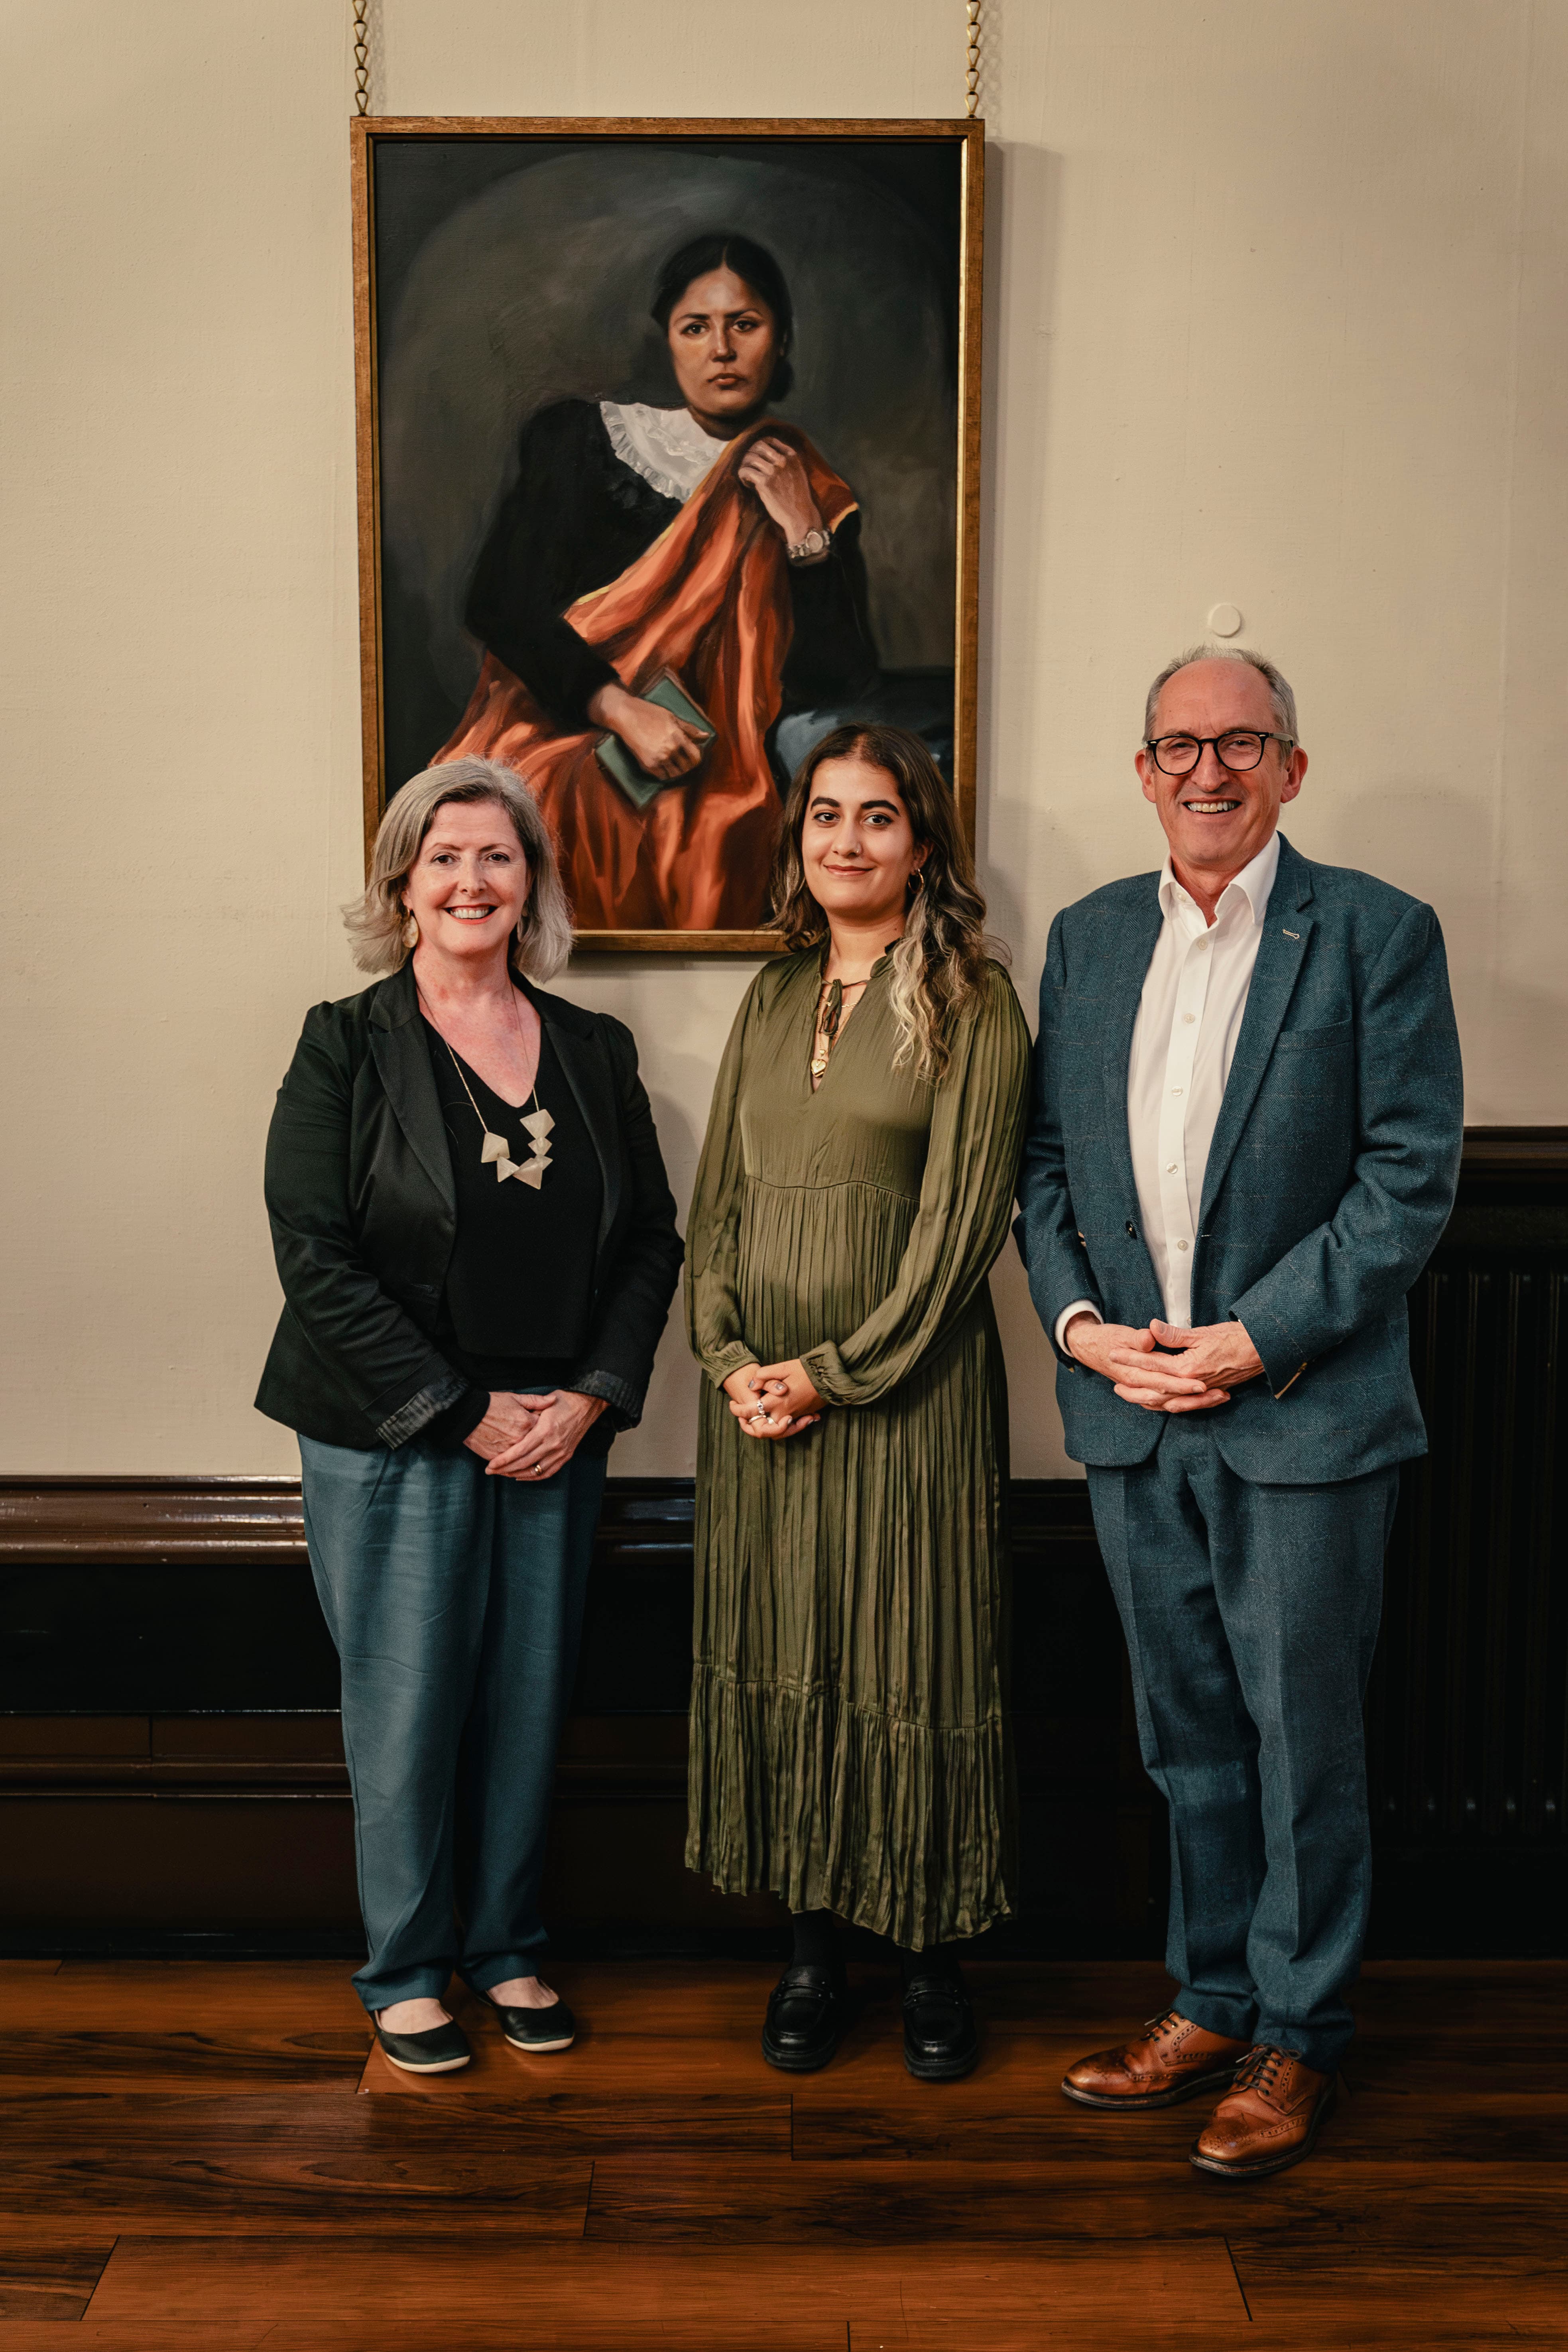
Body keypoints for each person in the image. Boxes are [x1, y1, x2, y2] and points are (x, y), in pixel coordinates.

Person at [1016, 648, 1463, 2177]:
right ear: (1140, 771)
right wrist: (1083, 1332)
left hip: (1301, 1415)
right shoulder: (1082, 943)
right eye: (1178, 746)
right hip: (1133, 1414)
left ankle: (1297, 2040)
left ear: (1291, 766)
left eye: (1241, 742)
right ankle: (1207, 1999)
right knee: (1186, 1739)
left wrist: (1246, 1341)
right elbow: (1045, 1174)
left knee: (1302, 1747)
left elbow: (1408, 1181)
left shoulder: (1376, 937)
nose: (1208, 771)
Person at [256, 756, 683, 2075]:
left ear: (533, 884)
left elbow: (650, 1246)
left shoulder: (596, 1051)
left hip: (554, 1432)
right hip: (392, 1432)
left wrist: (592, 1399)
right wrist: (459, 1413)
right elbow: (312, 1251)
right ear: (402, 880)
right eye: (445, 857)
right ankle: (405, 1967)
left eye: (498, 858)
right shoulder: (346, 1039)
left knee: (521, 1702)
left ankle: (506, 1948)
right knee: (409, 1706)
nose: (471, 881)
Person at [685, 722, 1031, 2080]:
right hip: (763, 1409)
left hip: (909, 1401)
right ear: (799, 840)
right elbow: (716, 1204)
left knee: (916, 1657)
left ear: (923, 844)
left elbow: (958, 1235)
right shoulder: (770, 999)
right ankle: (812, 1952)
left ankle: (934, 1963)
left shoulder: (977, 1001)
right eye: (825, 815)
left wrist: (834, 1373)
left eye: (877, 817)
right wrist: (729, 1362)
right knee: (793, 1657)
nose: (846, 838)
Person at [439, 231, 878, 932]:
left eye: (746, 325)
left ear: (782, 340)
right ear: (668, 340)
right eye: (696, 327)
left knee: (722, 821)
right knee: (557, 800)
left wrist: (803, 535)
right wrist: (618, 709)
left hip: (717, 750)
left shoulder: (803, 480)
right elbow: (500, 601)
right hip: (566, 719)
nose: (722, 350)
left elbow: (838, 677)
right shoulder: (581, 438)